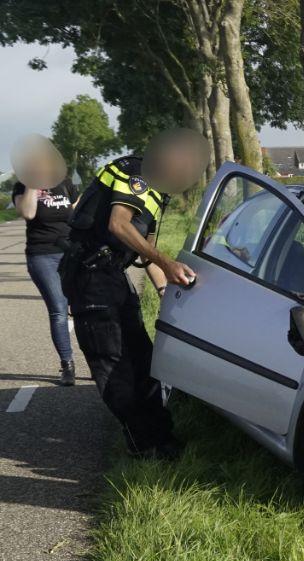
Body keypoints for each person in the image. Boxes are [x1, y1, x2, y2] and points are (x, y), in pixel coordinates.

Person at [60, 130, 206, 459]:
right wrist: (166, 262)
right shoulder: (136, 173)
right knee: (115, 367)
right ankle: (143, 446)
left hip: (113, 277)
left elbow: (147, 252)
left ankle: (163, 439)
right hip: (91, 277)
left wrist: (169, 289)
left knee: (145, 361)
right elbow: (118, 224)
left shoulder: (158, 191)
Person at [11, 140, 78, 385]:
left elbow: (77, 215)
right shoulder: (22, 186)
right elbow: (28, 213)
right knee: (59, 309)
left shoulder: (66, 184)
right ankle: (67, 364)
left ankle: (98, 359)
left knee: (82, 306)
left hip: (70, 253)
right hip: (42, 255)